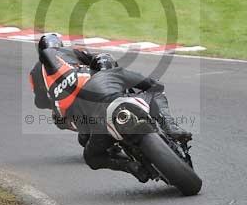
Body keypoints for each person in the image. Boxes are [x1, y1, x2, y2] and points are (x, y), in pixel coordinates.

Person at [72, 53, 193, 182]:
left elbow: (83, 134)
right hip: (125, 104)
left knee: (91, 158)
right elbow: (153, 84)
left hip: (103, 124)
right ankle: (171, 128)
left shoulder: (82, 91)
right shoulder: (118, 73)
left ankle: (131, 166)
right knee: (156, 91)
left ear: (92, 73)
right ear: (114, 66)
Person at [28, 33, 96, 131]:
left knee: (58, 118)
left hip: (86, 84)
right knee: (59, 119)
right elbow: (40, 102)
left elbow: (40, 102)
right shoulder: (72, 51)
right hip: (73, 100)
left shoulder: (34, 73)